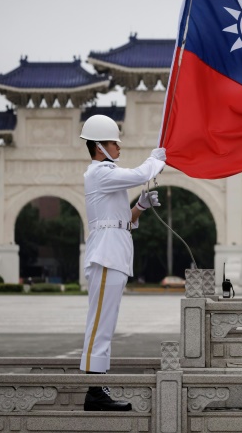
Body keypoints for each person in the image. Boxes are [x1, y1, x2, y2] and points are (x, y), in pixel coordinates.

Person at [78, 114, 166, 412]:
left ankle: (97, 386)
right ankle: (94, 391)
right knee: (100, 322)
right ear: (100, 146)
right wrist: (157, 158)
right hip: (105, 254)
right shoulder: (99, 173)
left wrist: (140, 206)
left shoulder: (106, 175)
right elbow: (141, 173)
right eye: (115, 142)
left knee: (106, 321)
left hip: (114, 251)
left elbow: (122, 221)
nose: (119, 146)